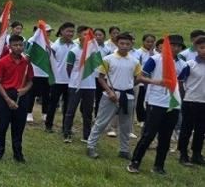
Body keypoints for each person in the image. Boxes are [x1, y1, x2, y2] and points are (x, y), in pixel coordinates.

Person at [128, 35, 189, 175]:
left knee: (166, 136)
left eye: (178, 46)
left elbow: (180, 84)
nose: (175, 48)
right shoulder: (155, 59)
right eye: (173, 45)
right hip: (156, 101)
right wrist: (157, 82)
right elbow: (140, 77)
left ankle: (159, 166)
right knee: (149, 134)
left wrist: (181, 100)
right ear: (166, 46)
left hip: (173, 103)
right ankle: (135, 162)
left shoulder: (183, 64)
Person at [86, 33, 141, 160]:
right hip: (110, 95)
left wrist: (129, 86)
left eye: (127, 44)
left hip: (127, 96)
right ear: (117, 43)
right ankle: (91, 145)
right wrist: (109, 91)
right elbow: (101, 78)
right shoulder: (108, 59)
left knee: (126, 125)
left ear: (131, 45)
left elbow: (137, 78)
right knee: (101, 122)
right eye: (122, 43)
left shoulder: (135, 61)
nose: (124, 46)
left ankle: (124, 150)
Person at [0, 34, 34, 162]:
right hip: (6, 95)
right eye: (15, 45)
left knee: (18, 127)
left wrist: (25, 90)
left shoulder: (26, 63)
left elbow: (30, 81)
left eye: (21, 45)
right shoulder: (3, 61)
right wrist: (8, 100)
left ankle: (18, 155)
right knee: (2, 127)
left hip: (21, 95)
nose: (18, 47)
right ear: (9, 46)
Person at [62, 24, 96, 142]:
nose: (87, 37)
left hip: (90, 85)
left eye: (89, 35)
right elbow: (69, 69)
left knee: (88, 113)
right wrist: (75, 78)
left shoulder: (94, 51)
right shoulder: (74, 51)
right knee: (71, 110)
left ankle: (87, 136)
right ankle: (67, 134)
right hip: (75, 85)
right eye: (85, 34)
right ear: (79, 35)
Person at [178, 35, 205, 166]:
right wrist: (184, 96)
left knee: (201, 130)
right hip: (191, 101)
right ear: (196, 48)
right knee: (187, 128)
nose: (204, 50)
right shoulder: (190, 64)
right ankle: (183, 154)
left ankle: (197, 154)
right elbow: (180, 80)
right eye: (202, 47)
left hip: (204, 102)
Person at [44, 22, 74, 134]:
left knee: (67, 105)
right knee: (53, 104)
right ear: (61, 31)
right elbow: (49, 62)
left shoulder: (74, 45)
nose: (70, 33)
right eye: (68, 31)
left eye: (72, 31)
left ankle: (65, 127)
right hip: (57, 80)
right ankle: (48, 125)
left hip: (70, 80)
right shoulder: (55, 46)